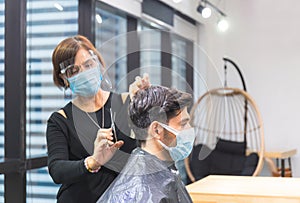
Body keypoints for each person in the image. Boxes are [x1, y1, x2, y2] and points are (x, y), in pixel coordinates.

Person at [46, 35, 150, 203]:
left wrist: (146, 106)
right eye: (74, 70)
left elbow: (150, 146)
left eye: (88, 65)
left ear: (97, 63)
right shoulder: (61, 120)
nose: (85, 73)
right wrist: (92, 162)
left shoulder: (125, 103)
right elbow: (57, 169)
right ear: (64, 78)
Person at [97, 85, 195, 203]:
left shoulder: (160, 173)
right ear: (157, 130)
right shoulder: (147, 191)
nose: (189, 129)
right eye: (183, 124)